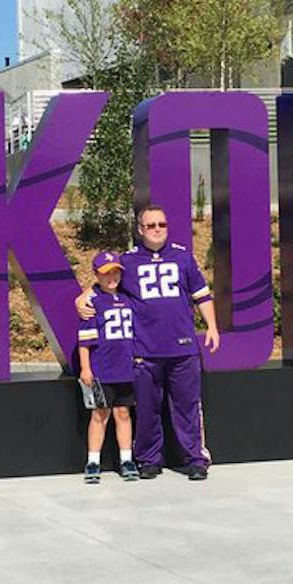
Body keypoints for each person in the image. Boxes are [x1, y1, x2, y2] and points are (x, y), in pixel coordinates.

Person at [78, 205, 220, 481]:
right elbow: (106, 280)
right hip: (144, 351)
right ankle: (148, 460)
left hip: (182, 348)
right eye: (151, 225)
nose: (157, 229)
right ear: (140, 229)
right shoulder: (129, 261)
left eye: (162, 225)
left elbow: (201, 295)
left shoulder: (182, 257)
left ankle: (195, 459)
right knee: (146, 409)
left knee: (187, 407)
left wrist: (212, 326)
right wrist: (82, 297)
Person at [76, 251, 140, 484]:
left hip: (126, 368)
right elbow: (85, 340)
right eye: (106, 273)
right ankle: (93, 461)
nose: (111, 277)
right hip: (103, 368)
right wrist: (86, 368)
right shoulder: (92, 302)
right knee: (99, 414)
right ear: (96, 275)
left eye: (115, 272)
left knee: (123, 413)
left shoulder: (129, 299)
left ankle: (126, 459)